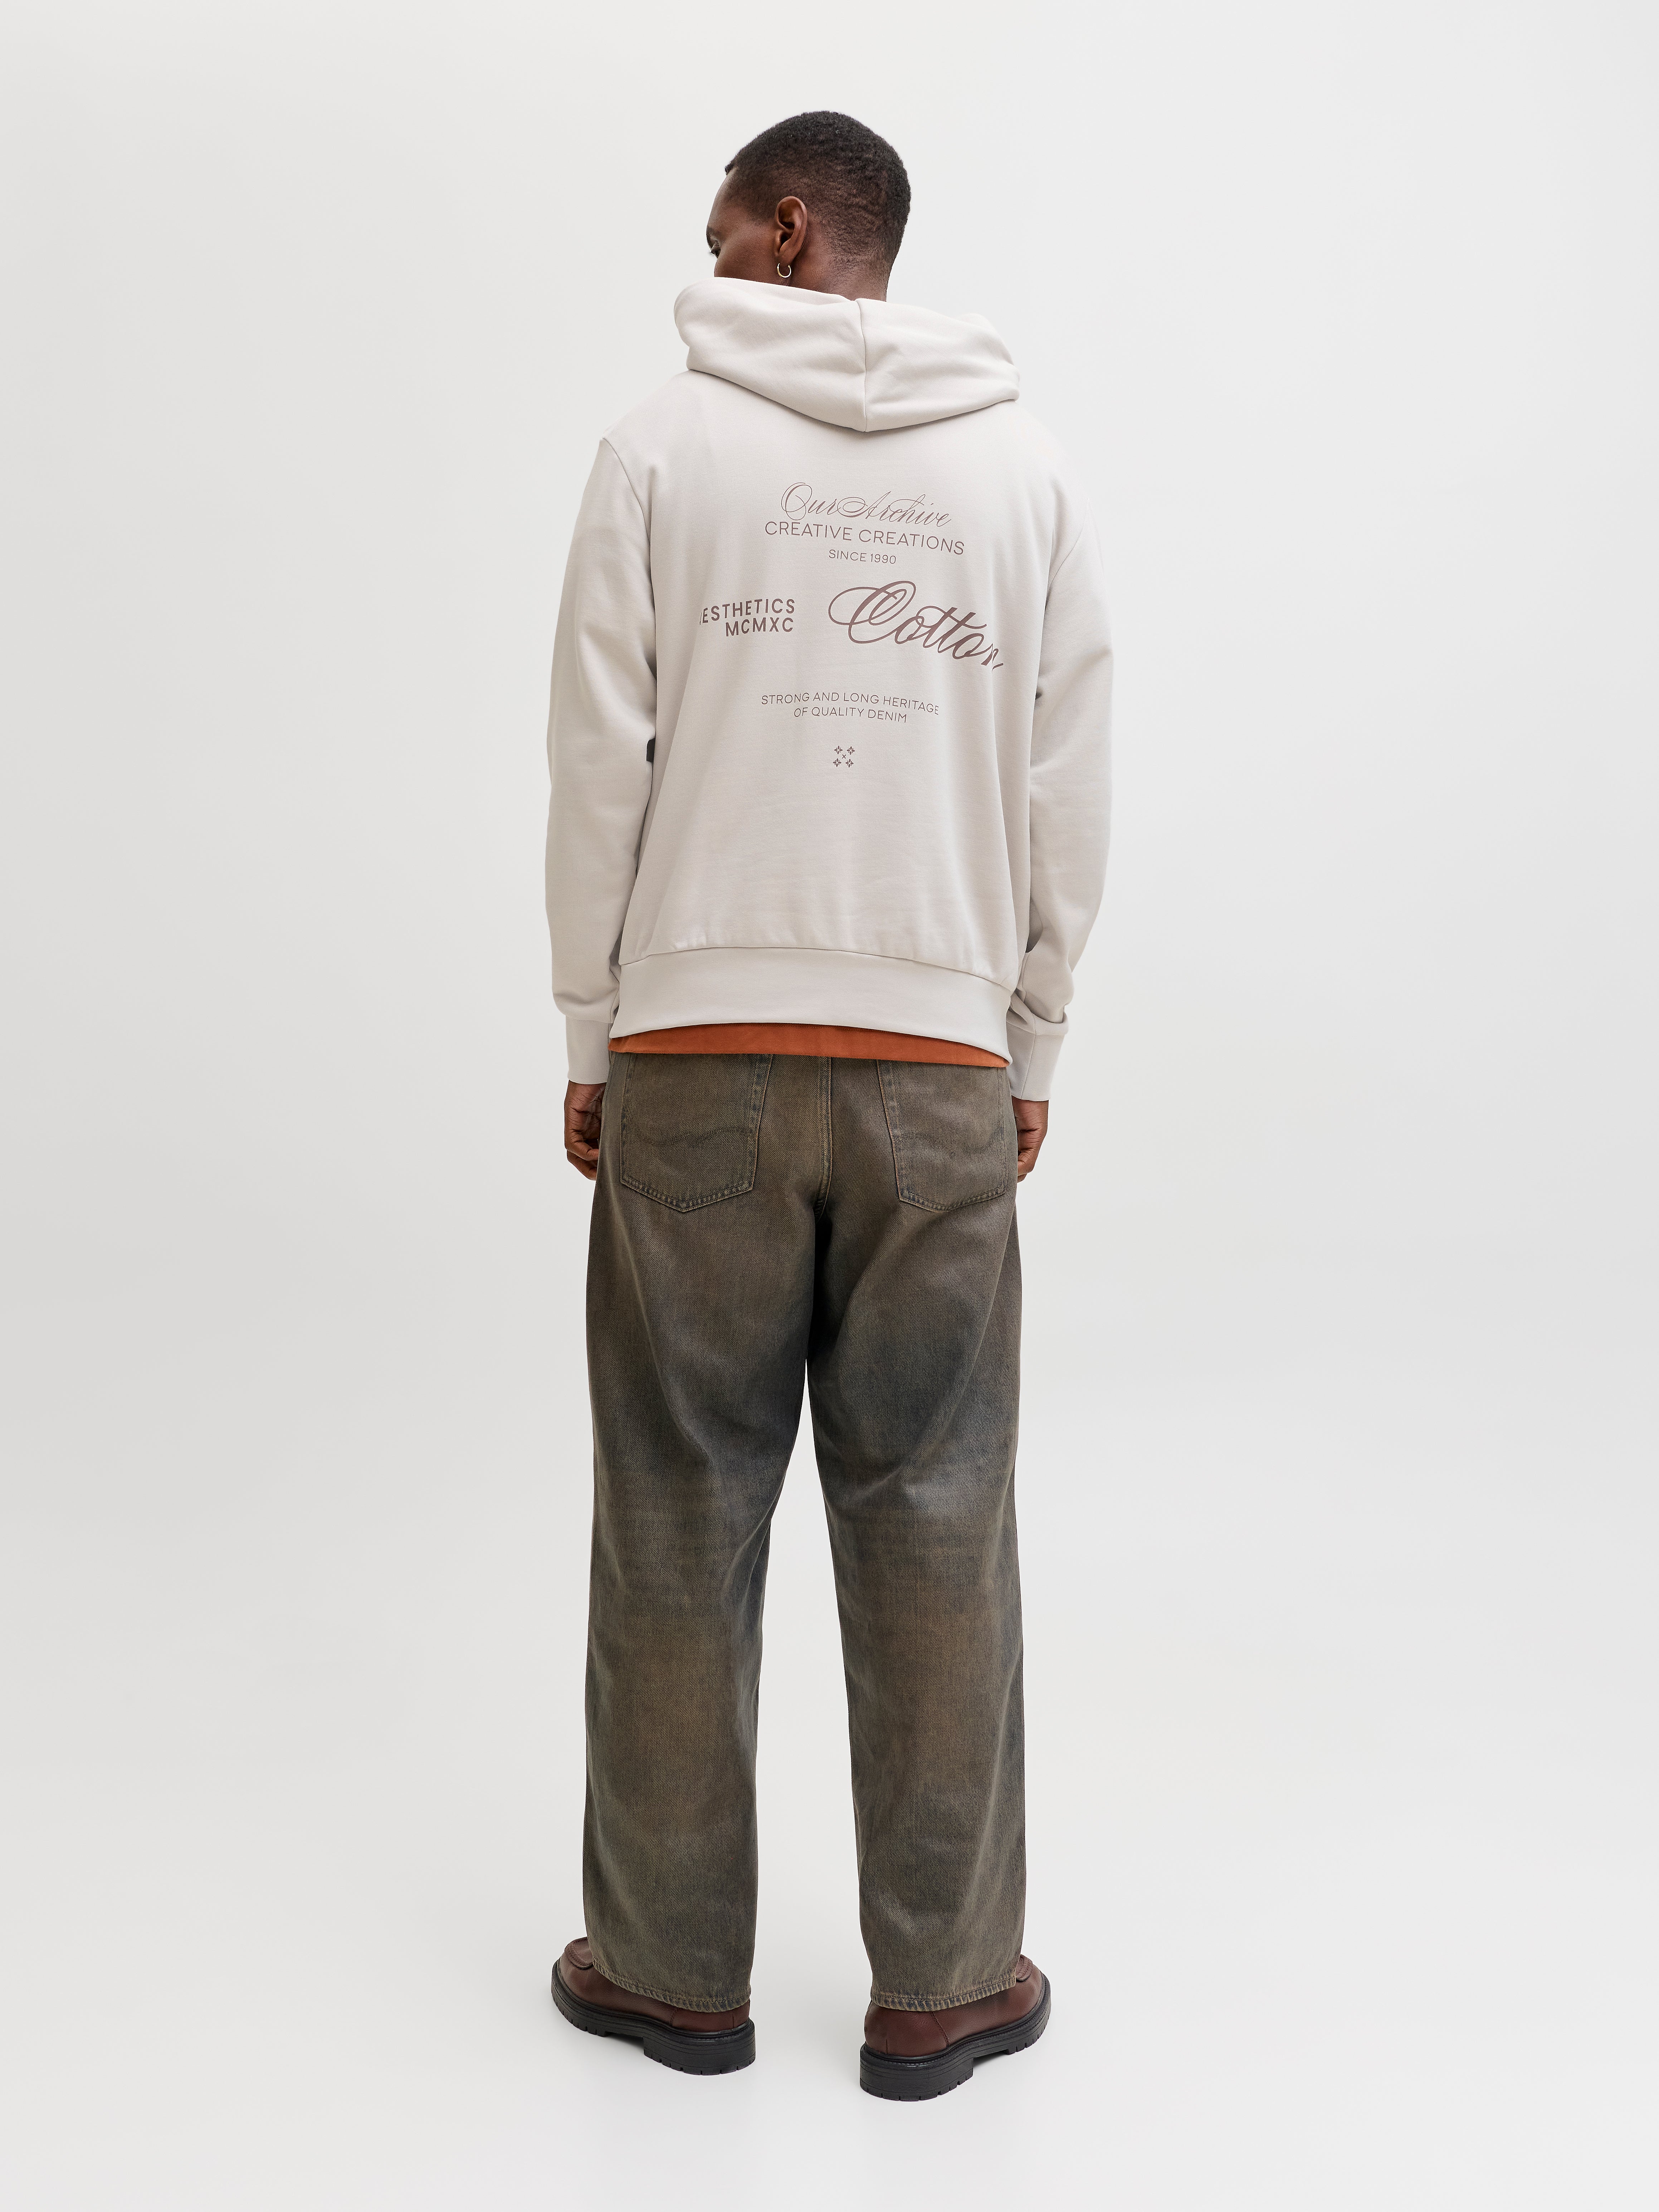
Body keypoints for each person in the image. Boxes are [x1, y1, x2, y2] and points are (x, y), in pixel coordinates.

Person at [543, 110, 1112, 2101]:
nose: (700, 268)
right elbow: (1068, 780)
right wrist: (1029, 1040)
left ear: (792, 231)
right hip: (938, 1062)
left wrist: (595, 1030)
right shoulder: (1022, 473)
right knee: (940, 1505)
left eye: (721, 233)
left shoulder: (657, 451)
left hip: (697, 1051)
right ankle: (944, 1986)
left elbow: (598, 764)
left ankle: (668, 1969)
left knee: (676, 1503)